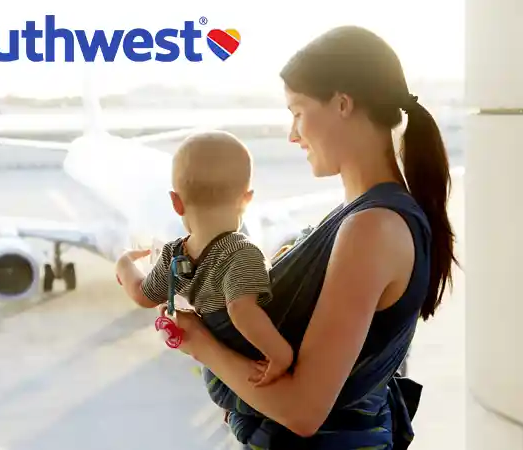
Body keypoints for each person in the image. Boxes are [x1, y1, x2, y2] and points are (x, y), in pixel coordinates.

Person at [157, 25, 459, 449]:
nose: (292, 134)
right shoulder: (368, 216)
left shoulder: (371, 229)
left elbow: (303, 410)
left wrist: (199, 344)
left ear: (341, 104)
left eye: (297, 111)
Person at [114, 131, 295, 443]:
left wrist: (125, 266)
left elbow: (143, 295)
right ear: (247, 198)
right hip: (242, 373)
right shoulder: (242, 252)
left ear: (176, 203)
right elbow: (240, 308)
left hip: (217, 378)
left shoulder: (174, 254)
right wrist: (279, 354)